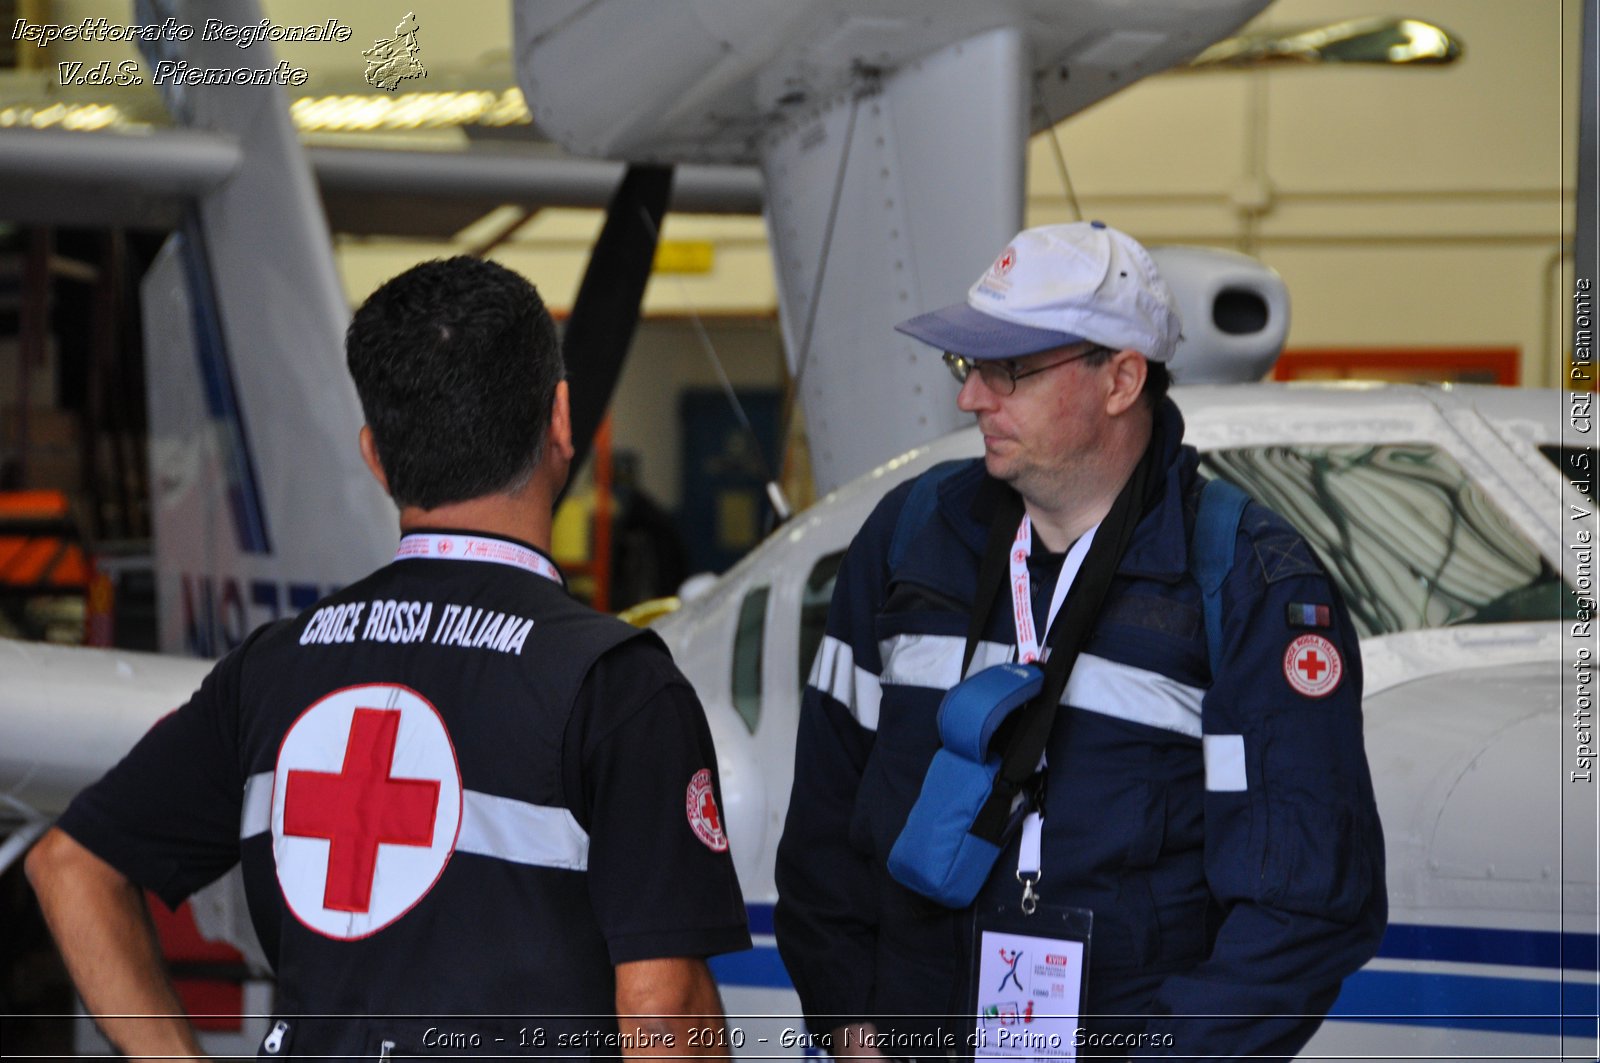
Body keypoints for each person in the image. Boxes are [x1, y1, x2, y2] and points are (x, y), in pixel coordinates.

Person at [26, 257, 750, 1059]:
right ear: (562, 421)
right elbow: (665, 1008)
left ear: (375, 455)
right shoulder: (616, 684)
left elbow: (71, 864)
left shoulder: (274, 665)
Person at [774, 222, 1385, 1060]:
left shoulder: (1250, 585)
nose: (971, 398)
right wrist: (849, 1024)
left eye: (1009, 371)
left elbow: (1303, 907)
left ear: (1122, 378)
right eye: (968, 366)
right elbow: (823, 822)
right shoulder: (909, 541)